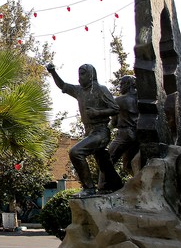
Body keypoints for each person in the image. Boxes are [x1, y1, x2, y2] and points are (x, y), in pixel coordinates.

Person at [46, 63, 122, 194]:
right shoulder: (79, 91)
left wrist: (98, 113)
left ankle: (89, 188)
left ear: (91, 75)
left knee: (75, 152)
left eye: (82, 74)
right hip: (89, 132)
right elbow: (63, 85)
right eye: (78, 74)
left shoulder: (100, 89)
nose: (79, 78)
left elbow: (115, 108)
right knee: (103, 161)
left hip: (101, 132)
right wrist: (53, 72)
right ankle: (116, 185)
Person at [108, 75, 139, 174]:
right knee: (129, 164)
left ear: (128, 84)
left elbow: (114, 123)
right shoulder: (140, 99)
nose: (120, 87)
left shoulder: (119, 100)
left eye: (121, 84)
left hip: (124, 134)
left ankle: (104, 186)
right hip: (138, 135)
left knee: (108, 159)